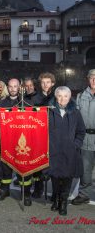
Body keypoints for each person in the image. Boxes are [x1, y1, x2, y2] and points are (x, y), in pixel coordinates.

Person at [48, 86, 86, 216]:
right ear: (56, 97)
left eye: (65, 96)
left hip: (70, 152)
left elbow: (81, 131)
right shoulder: (49, 111)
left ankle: (63, 202)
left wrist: (75, 145)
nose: (62, 99)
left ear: (70, 98)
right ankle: (56, 199)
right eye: (60, 96)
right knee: (54, 178)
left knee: (67, 178)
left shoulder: (75, 112)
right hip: (53, 151)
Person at [0, 79, 33, 206]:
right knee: (5, 168)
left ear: (19, 87)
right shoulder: (1, 103)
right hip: (6, 141)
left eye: (15, 86)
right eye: (10, 86)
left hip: (22, 142)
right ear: (8, 87)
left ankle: (26, 193)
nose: (12, 89)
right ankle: (5, 190)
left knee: (23, 168)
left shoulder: (26, 103)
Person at [72, 69, 95, 205]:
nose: (94, 80)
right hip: (86, 138)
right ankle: (84, 194)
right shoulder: (80, 96)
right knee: (85, 169)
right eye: (92, 78)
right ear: (88, 79)